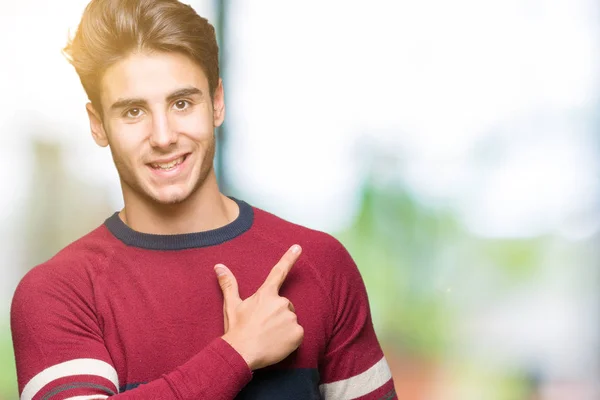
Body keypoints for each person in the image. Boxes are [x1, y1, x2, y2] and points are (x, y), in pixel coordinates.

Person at [10, 0, 397, 399]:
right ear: (98, 125)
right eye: (133, 111)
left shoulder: (319, 265)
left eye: (181, 103)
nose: (163, 136)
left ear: (216, 102)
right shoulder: (58, 293)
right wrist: (237, 353)